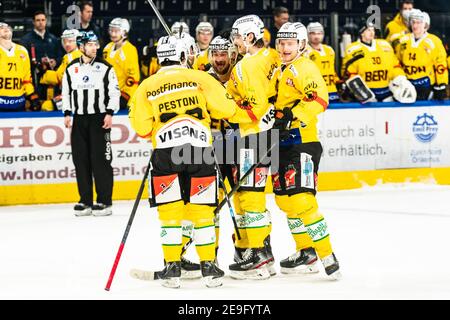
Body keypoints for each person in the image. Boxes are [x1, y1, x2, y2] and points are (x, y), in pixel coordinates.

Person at [129, 35, 237, 289]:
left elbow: (141, 127)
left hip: (166, 152)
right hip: (199, 149)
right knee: (202, 212)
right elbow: (226, 110)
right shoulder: (201, 78)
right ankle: (209, 268)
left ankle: (172, 267)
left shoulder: (147, 85)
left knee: (170, 213)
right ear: (181, 56)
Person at [272, 22, 341, 280]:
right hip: (279, 143)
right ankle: (306, 252)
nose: (284, 47)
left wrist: (292, 115)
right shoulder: (279, 69)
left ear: (301, 44)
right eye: (281, 42)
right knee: (285, 201)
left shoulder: (305, 67)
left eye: (290, 43)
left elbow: (319, 99)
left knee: (302, 200)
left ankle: (327, 254)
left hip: (302, 141)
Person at [226, 15, 279, 280]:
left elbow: (254, 109)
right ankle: (264, 253)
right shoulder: (271, 57)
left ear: (248, 37)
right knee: (253, 194)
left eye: (237, 36)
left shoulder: (247, 65)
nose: (233, 42)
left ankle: (257, 254)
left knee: (250, 197)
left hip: (253, 137)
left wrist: (227, 110)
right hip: (266, 137)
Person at [62, 31, 120, 217]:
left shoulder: (106, 68)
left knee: (101, 161)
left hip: (99, 119)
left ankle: (104, 201)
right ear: (81, 47)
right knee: (81, 161)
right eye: (90, 44)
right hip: (79, 120)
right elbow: (66, 92)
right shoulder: (71, 68)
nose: (95, 47)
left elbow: (114, 92)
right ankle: (85, 201)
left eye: (96, 44)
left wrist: (110, 113)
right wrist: (67, 113)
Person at [342, 21, 413, 103]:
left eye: (373, 30)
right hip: (367, 94)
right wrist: (361, 92)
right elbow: (349, 74)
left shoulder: (385, 45)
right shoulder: (352, 49)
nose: (372, 32)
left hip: (386, 92)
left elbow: (395, 66)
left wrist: (401, 78)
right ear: (361, 33)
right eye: (368, 30)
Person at [397, 10, 448, 100]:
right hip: (407, 85)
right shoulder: (403, 40)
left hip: (426, 85)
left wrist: (441, 83)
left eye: (419, 22)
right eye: (413, 22)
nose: (415, 25)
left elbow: (440, 63)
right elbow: (397, 62)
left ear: (425, 25)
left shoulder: (434, 41)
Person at [20, 11, 63, 101]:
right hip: (34, 79)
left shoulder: (53, 38)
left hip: (52, 80)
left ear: (46, 21)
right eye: (38, 20)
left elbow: (60, 56)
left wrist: (55, 61)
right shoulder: (25, 40)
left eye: (43, 20)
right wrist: (39, 62)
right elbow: (23, 61)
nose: (40, 22)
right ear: (33, 22)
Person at [0, 22, 40, 111]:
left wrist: (32, 95)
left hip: (18, 103)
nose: (6, 28)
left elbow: (26, 79)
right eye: (1, 27)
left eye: (8, 26)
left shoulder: (22, 50)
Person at [40, 29, 82, 111]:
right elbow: (59, 75)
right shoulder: (68, 56)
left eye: (70, 41)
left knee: (46, 107)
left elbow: (64, 78)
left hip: (75, 97)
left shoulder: (75, 56)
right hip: (70, 95)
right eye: (65, 41)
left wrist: (44, 76)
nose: (67, 44)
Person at [103, 18, 140, 109]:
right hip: (108, 91)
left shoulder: (130, 50)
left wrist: (129, 98)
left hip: (122, 94)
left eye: (116, 31)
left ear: (124, 32)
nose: (113, 34)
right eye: (111, 30)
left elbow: (133, 78)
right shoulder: (107, 48)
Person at [306, 22, 341, 103]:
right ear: (308, 35)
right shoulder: (304, 52)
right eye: (313, 33)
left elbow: (331, 70)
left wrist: (338, 81)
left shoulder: (330, 50)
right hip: (315, 91)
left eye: (319, 33)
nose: (316, 36)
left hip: (332, 90)